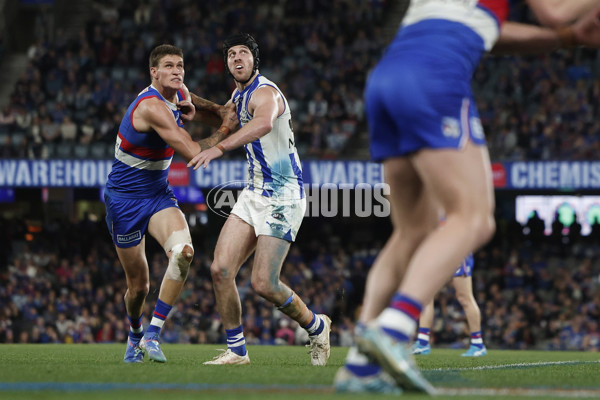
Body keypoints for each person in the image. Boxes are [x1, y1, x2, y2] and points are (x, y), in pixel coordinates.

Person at [333, 0, 600, 394]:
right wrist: (565, 26)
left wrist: (565, 39)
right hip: (435, 78)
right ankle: (395, 327)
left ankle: (359, 365)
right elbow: (555, 11)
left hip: (387, 78)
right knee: (474, 218)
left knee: (412, 231)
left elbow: (488, 34)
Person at [187, 33, 331, 366]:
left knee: (264, 283)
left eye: (243, 53)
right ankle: (237, 351)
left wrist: (219, 147)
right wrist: (188, 104)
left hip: (284, 194)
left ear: (254, 59)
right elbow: (225, 116)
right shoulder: (238, 94)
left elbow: (263, 123)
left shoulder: (266, 93)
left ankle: (317, 325)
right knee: (221, 270)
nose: (237, 59)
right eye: (231, 55)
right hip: (253, 192)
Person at [104, 44, 237, 363]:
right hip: (124, 201)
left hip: (158, 194)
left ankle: (152, 335)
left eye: (181, 65)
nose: (178, 71)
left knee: (184, 253)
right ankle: (134, 334)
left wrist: (221, 109)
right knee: (138, 287)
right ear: (154, 72)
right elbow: (193, 152)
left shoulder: (177, 92)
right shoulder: (151, 107)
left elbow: (194, 106)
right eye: (169, 66)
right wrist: (226, 127)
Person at [412, 253, 487, 357]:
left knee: (464, 298)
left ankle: (478, 344)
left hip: (457, 250)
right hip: (437, 253)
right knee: (426, 295)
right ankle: (422, 342)